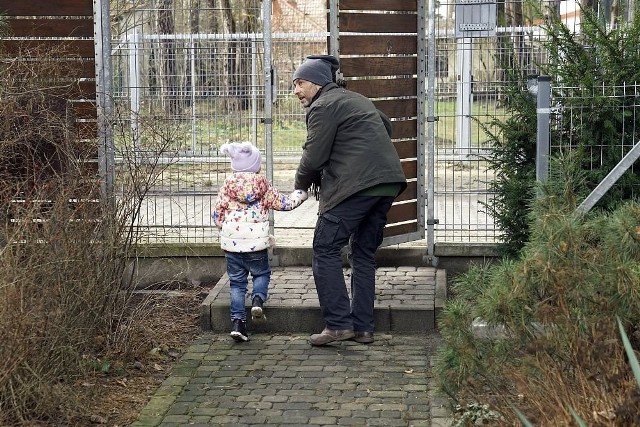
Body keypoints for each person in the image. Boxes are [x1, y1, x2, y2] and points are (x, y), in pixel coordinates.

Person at [292, 55, 407, 346]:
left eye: (300, 83)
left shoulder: (323, 106)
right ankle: (364, 328)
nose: (296, 90)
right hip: (387, 183)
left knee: (325, 247)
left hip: (357, 186)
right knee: (363, 253)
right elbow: (384, 124)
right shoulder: (355, 99)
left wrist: (300, 187)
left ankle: (338, 325)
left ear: (317, 83)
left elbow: (314, 155)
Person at [213, 141, 308, 342]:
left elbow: (217, 215)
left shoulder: (227, 186)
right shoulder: (263, 186)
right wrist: (300, 194)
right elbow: (285, 204)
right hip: (256, 244)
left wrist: (224, 228)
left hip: (232, 246)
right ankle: (257, 299)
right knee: (261, 273)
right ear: (257, 166)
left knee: (237, 284)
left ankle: (238, 323)